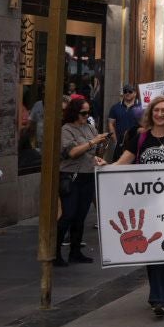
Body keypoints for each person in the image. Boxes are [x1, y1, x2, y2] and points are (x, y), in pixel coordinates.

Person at [113, 95, 164, 317]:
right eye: (156, 111)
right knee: (151, 250)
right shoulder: (140, 139)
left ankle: (160, 298)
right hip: (144, 205)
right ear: (151, 113)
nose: (159, 114)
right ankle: (155, 294)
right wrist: (104, 167)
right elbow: (121, 164)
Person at [54, 95, 107, 266]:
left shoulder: (90, 128)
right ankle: (54, 252)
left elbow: (91, 154)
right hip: (71, 176)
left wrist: (98, 157)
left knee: (81, 215)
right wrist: (93, 142)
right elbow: (72, 153)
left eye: (88, 113)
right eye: (83, 113)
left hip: (87, 175)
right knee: (68, 214)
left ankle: (75, 251)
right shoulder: (67, 130)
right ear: (74, 113)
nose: (86, 116)